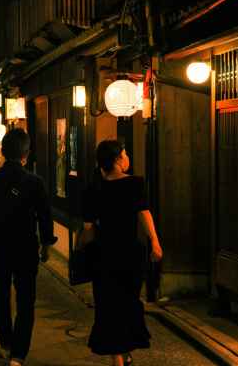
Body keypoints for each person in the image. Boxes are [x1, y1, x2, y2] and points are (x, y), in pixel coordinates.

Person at [0, 128, 57, 366]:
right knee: (26, 300)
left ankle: (5, 342)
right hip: (26, 248)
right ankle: (18, 354)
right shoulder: (34, 182)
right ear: (26, 154)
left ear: (3, 152)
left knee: (0, 297)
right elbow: (44, 216)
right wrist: (46, 244)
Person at [81, 140, 163, 366]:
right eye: (125, 153)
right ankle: (122, 354)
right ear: (118, 159)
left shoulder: (93, 188)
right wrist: (155, 242)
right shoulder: (135, 184)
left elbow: (88, 229)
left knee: (107, 305)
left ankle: (118, 355)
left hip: (103, 255)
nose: (127, 157)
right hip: (129, 253)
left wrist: (81, 247)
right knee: (128, 302)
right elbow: (143, 214)